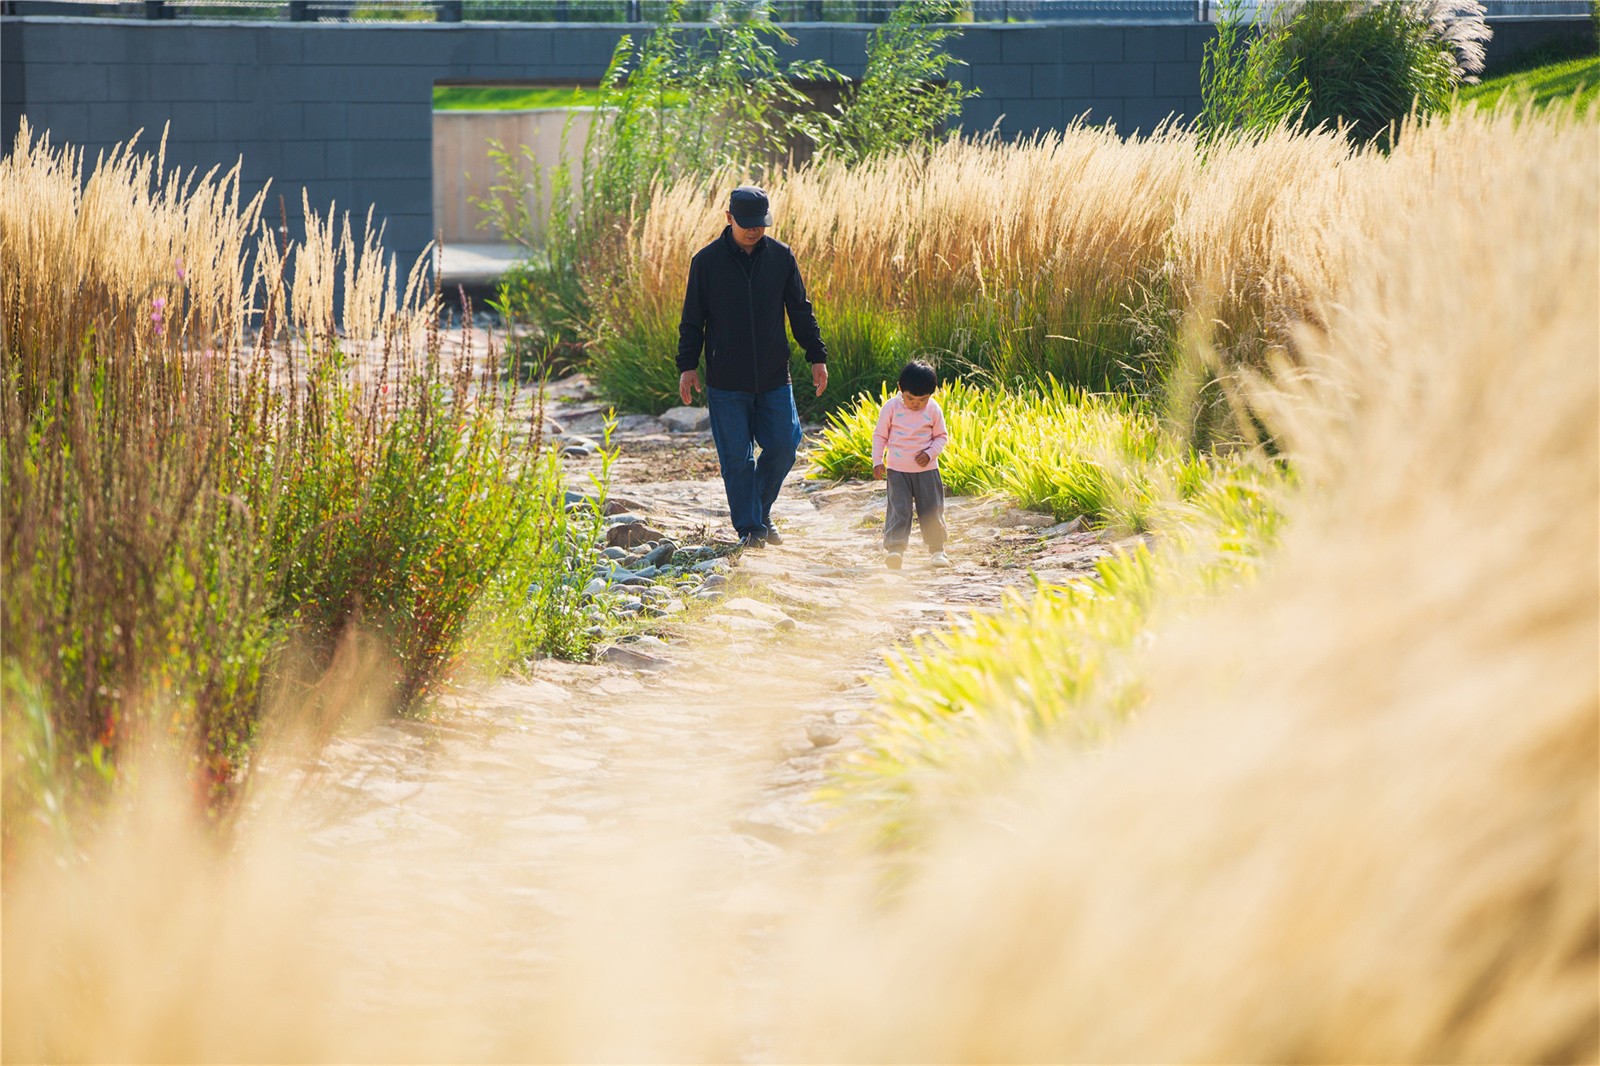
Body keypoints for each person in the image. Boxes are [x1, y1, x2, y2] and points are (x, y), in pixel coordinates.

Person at [677, 185, 828, 549]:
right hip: (726, 381)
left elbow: (800, 310)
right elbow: (692, 320)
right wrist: (687, 365)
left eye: (760, 223)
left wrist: (816, 355)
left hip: (775, 375)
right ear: (729, 218)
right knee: (737, 458)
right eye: (745, 223)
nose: (753, 230)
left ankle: (759, 510)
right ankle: (752, 530)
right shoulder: (706, 262)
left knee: (784, 445)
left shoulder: (781, 257)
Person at [872, 359, 951, 570]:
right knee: (899, 509)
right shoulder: (891, 408)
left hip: (927, 471)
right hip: (897, 471)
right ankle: (895, 549)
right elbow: (880, 435)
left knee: (931, 510)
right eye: (911, 398)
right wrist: (877, 461)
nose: (916, 403)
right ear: (900, 389)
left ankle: (937, 550)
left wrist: (930, 453)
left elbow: (941, 436)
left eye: (923, 399)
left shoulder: (933, 409)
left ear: (931, 395)